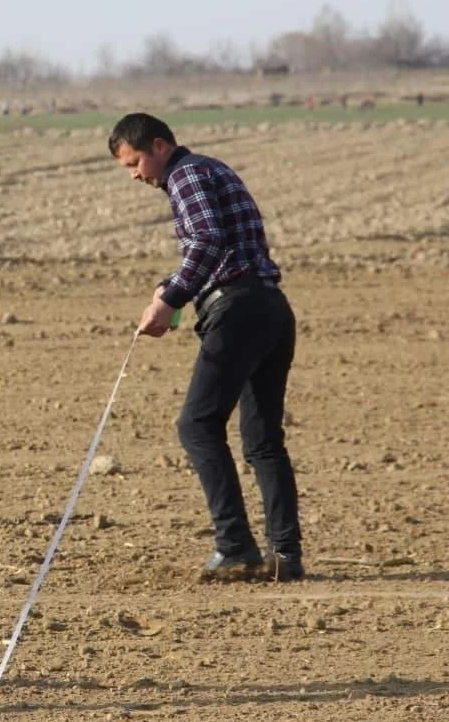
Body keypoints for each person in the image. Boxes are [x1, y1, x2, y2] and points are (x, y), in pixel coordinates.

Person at [107, 112, 303, 583]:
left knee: (196, 424)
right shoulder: (211, 169)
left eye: (135, 163)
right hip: (270, 307)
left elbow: (208, 242)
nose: (135, 175)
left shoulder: (186, 173)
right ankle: (285, 555)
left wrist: (170, 298)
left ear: (158, 146)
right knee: (262, 440)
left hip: (237, 312)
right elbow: (218, 248)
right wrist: (167, 289)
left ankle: (235, 545)